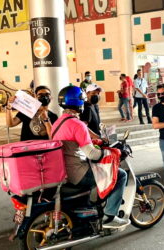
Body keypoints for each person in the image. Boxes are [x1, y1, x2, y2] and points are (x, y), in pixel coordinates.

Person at [52, 85, 129, 228]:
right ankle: (110, 215)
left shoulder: (58, 122)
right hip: (78, 173)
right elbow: (92, 154)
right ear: (78, 102)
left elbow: (74, 144)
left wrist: (95, 141)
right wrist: (109, 152)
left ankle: (95, 206)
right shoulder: (77, 124)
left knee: (101, 170)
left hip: (65, 171)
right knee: (121, 174)